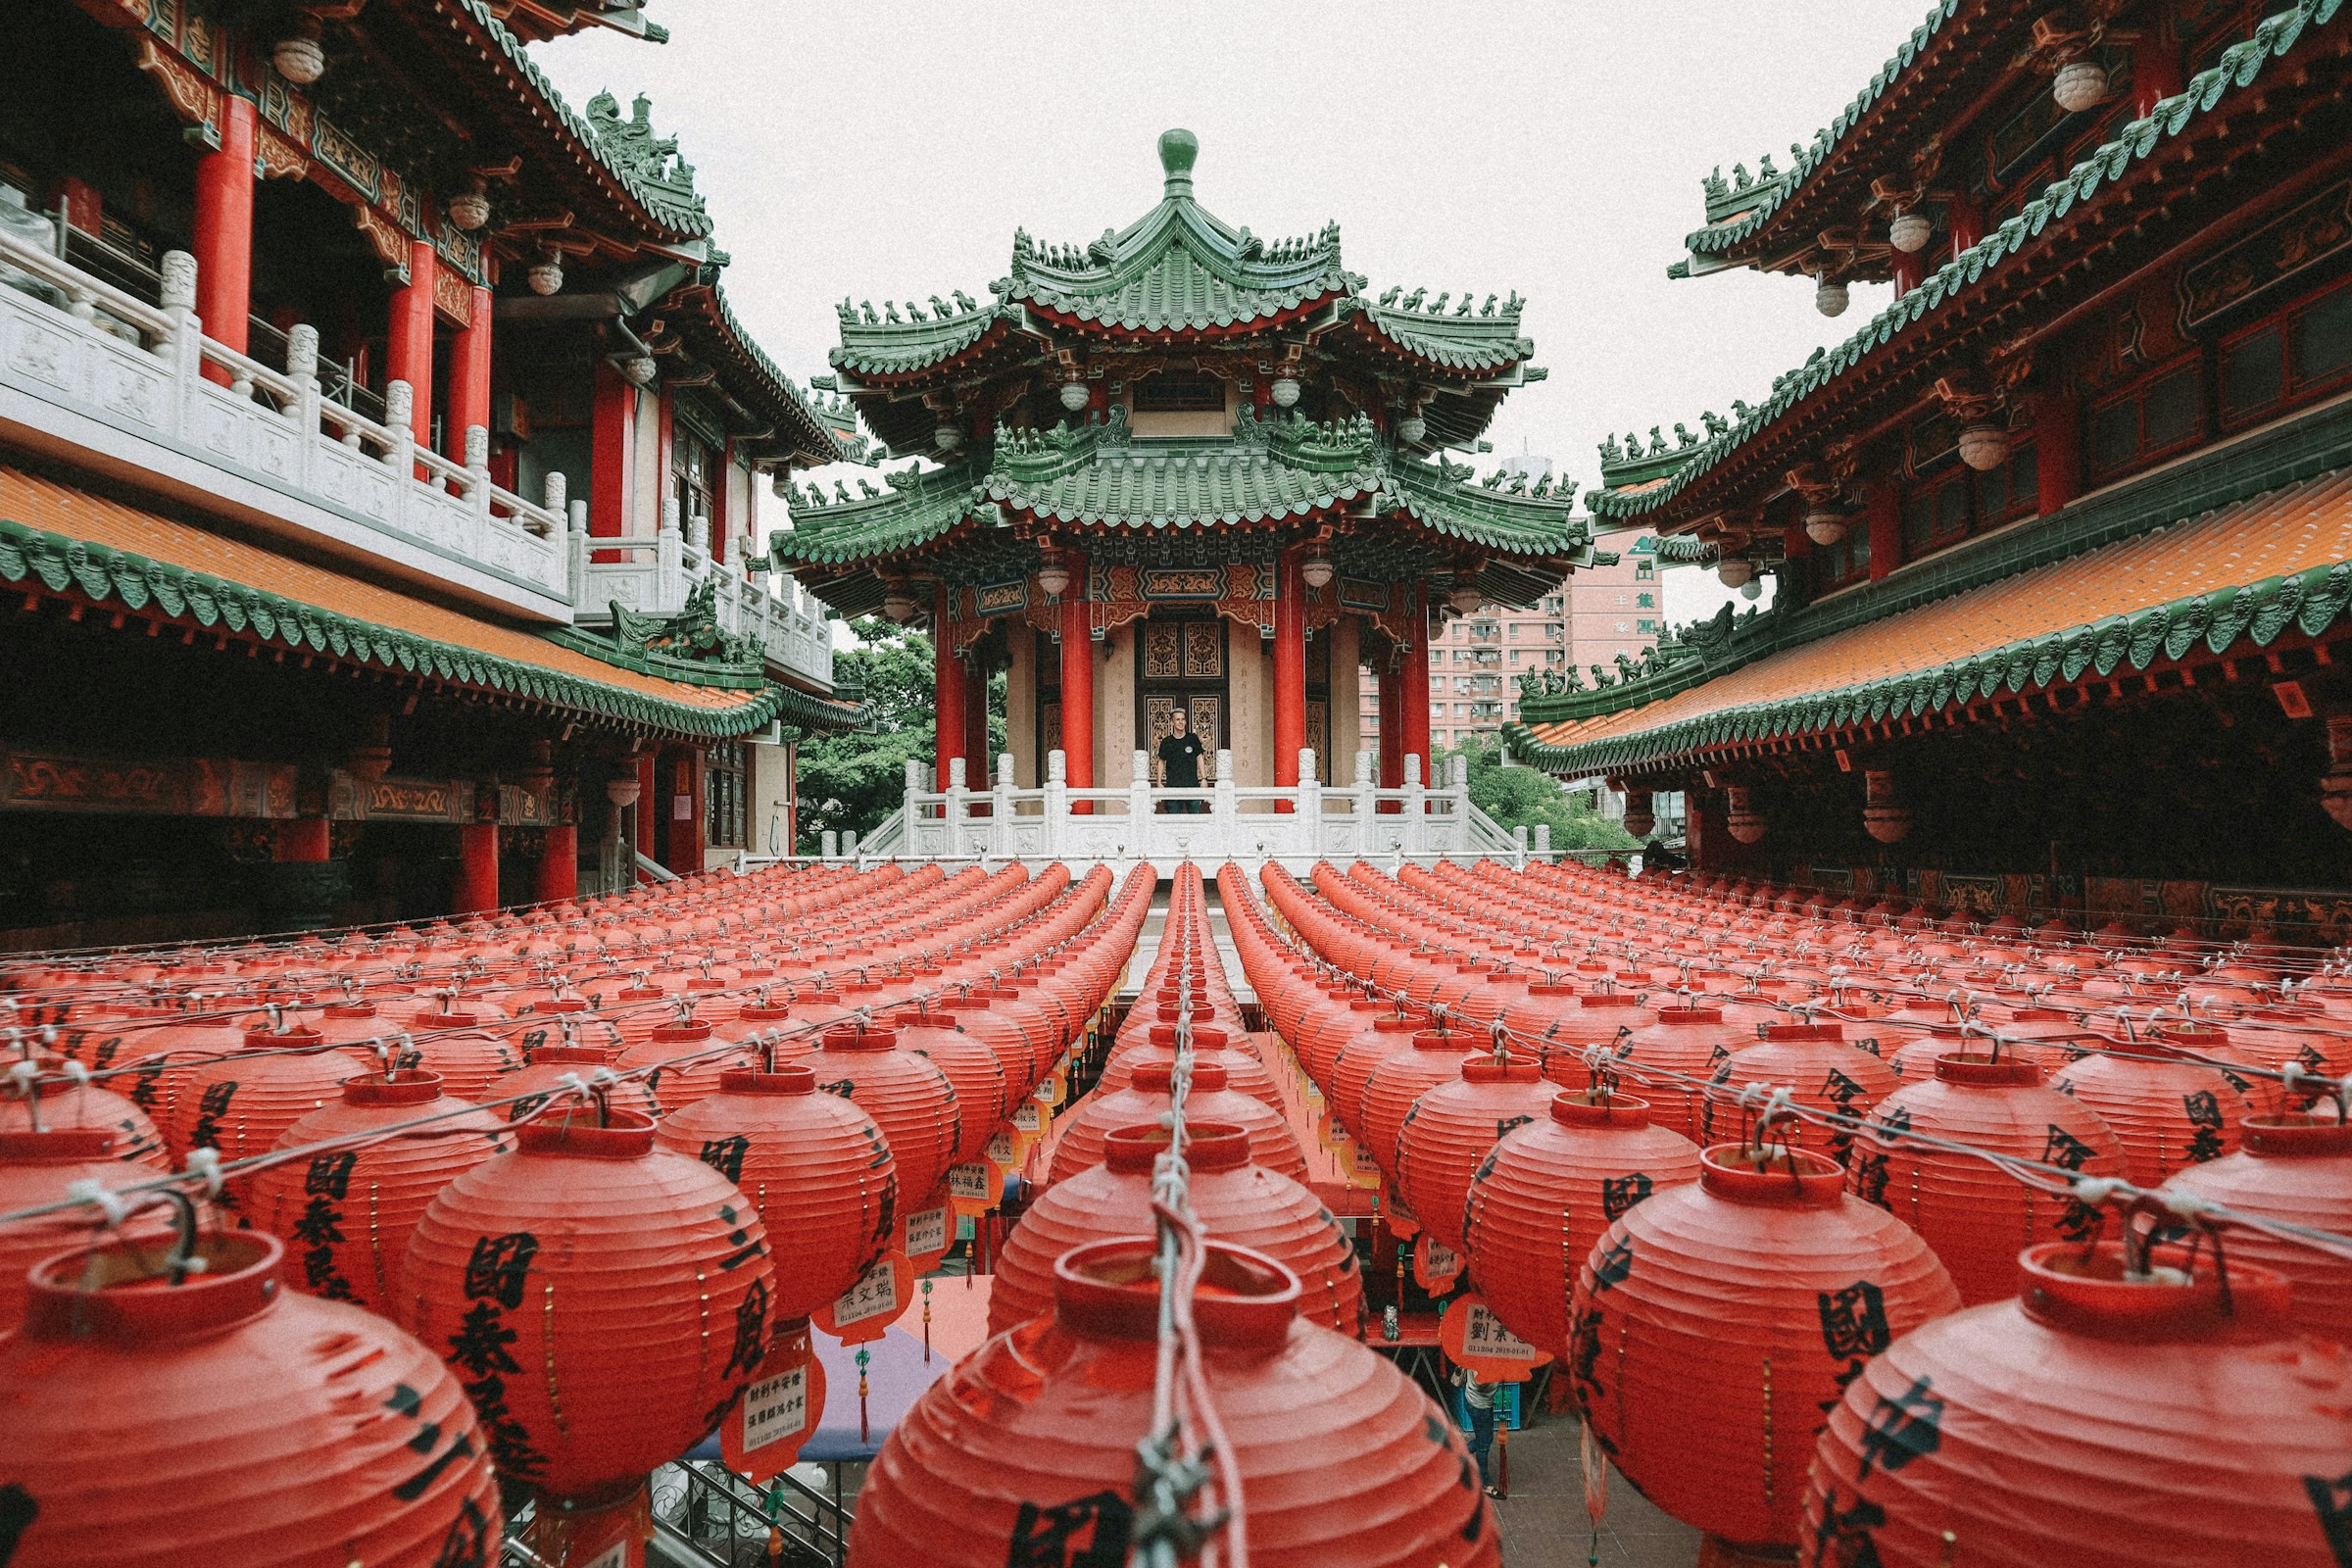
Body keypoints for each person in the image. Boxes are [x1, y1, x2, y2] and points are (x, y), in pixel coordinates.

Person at [1451, 1364, 1501, 1497]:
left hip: (1481, 1403)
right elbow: (1479, 1381)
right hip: (1479, 1406)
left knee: (1485, 1439)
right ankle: (1485, 1484)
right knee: (1483, 1446)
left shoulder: (1485, 1349)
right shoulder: (1480, 1355)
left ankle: (1456, 1455)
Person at [1157, 708, 1207, 813]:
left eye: (1183, 719)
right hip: (1173, 786)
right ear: (1172, 722)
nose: (1181, 722)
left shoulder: (1192, 738)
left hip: (1192, 785)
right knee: (1174, 820)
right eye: (1178, 719)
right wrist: (1159, 782)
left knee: (1195, 819)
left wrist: (1204, 778)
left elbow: (1199, 757)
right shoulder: (1167, 742)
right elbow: (1161, 762)